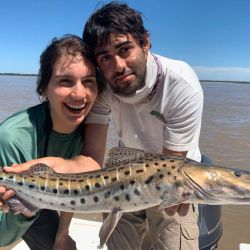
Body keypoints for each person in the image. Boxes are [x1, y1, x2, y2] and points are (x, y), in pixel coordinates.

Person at [1, 2, 205, 250]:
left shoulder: (181, 85)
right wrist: (56, 166)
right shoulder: (102, 88)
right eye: (105, 57)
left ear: (146, 42)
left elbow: (170, 170)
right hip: (122, 176)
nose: (118, 65)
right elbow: (92, 159)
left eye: (125, 49)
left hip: (175, 177)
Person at [0, 35, 103, 250]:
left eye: (89, 82)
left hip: (44, 200)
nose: (80, 93)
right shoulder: (12, 138)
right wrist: (26, 210)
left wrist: (62, 236)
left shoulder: (90, 129)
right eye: (65, 81)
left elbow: (76, 189)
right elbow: (4, 236)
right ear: (44, 88)